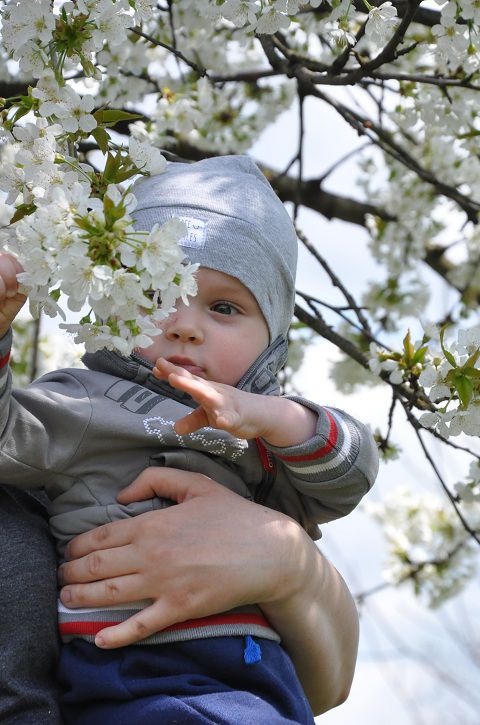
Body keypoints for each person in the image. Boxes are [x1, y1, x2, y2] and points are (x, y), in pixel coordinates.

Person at [0, 155, 379, 723]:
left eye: (224, 307)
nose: (184, 324)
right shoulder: (84, 400)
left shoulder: (268, 444)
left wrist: (277, 418)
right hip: (133, 670)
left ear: (272, 344)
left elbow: (352, 474)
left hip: (262, 680)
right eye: (154, 297)